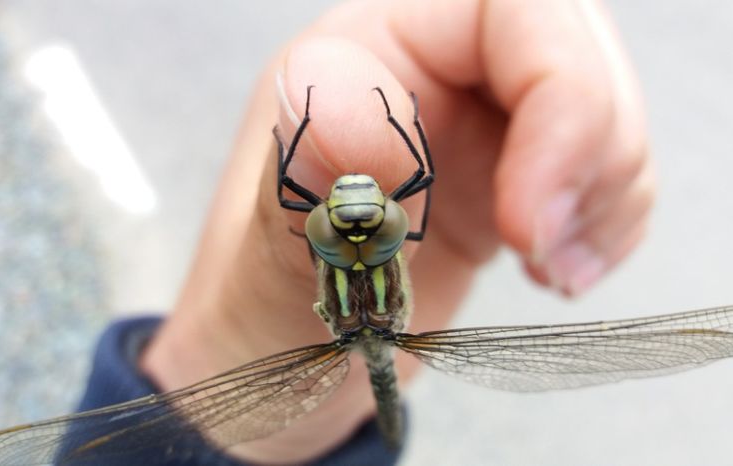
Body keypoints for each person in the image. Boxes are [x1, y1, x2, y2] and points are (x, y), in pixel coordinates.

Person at [80, 1, 652, 464]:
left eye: (380, 229)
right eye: (336, 231)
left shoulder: (336, 226)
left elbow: (324, 192)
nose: (356, 230)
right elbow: (397, 190)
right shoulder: (391, 226)